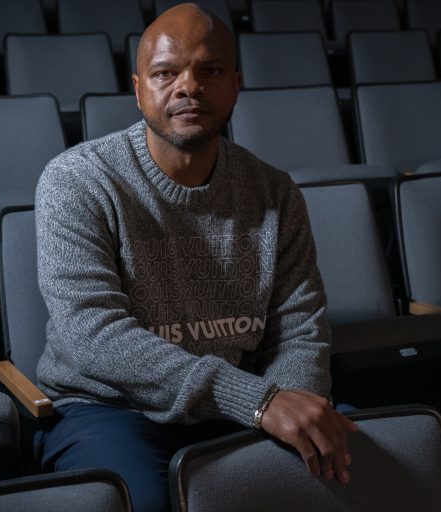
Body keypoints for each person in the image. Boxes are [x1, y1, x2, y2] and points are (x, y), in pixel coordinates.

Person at [33, 3, 357, 511]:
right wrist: (260, 403)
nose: (189, 87)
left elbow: (300, 328)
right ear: (139, 89)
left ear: (235, 84)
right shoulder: (77, 181)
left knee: (352, 473)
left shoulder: (274, 192)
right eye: (166, 73)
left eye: (210, 71)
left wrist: (291, 407)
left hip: (238, 402)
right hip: (111, 408)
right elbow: (93, 335)